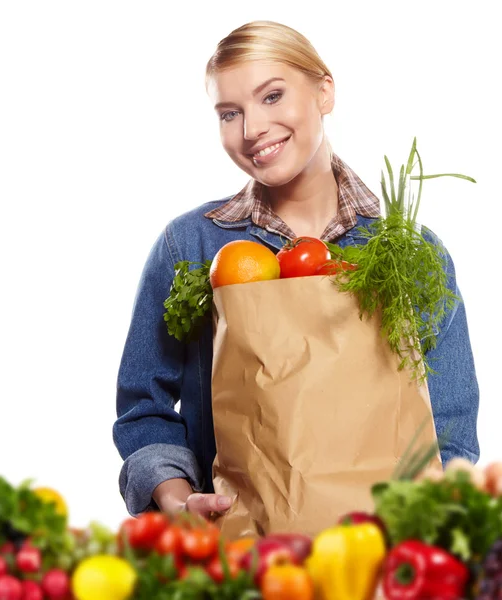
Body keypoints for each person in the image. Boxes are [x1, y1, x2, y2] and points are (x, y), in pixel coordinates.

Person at [113, 20, 480, 519]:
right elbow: (143, 405)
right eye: (229, 113)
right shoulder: (192, 244)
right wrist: (176, 497)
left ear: (324, 91)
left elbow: (451, 427)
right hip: (239, 555)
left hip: (383, 558)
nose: (251, 129)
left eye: (271, 96)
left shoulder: (413, 252)